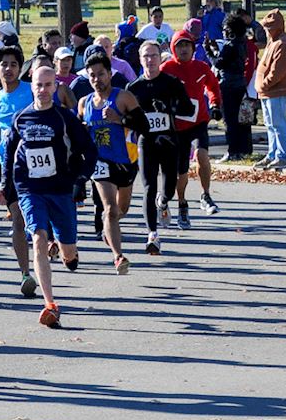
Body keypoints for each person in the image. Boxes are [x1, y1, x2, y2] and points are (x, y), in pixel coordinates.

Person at [6, 66, 98, 328]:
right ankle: (50, 303)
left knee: (68, 247)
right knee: (38, 237)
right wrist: (6, 186)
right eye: (39, 85)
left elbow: (89, 151)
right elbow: (9, 153)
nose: (43, 90)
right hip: (30, 189)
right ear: (31, 86)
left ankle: (68, 252)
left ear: (56, 87)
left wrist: (81, 180)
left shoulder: (64, 118)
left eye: (48, 85)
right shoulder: (21, 118)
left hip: (61, 189)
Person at [79, 54, 147, 274]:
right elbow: (79, 134)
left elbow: (144, 126)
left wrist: (120, 120)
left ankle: (111, 229)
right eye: (92, 76)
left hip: (126, 161)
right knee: (109, 208)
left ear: (110, 74)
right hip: (100, 163)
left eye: (101, 74)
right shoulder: (85, 103)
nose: (97, 79)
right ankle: (118, 257)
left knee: (120, 209)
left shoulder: (123, 97)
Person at [126, 41, 192, 254]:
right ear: (140, 58)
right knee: (148, 186)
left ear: (160, 58)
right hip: (147, 142)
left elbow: (188, 108)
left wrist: (168, 107)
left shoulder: (171, 83)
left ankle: (163, 202)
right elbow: (128, 119)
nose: (150, 60)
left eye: (154, 56)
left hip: (170, 141)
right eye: (146, 56)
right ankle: (152, 234)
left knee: (169, 188)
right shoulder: (134, 88)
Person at [0, 46, 41, 297]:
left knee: (38, 219)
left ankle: (48, 247)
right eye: (3, 65)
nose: (8, 69)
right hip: (9, 167)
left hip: (35, 163)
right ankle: (25, 274)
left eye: (13, 64)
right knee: (18, 219)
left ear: (21, 68)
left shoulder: (30, 91)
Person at [162, 31, 223, 226]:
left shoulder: (201, 67)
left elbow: (213, 86)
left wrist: (214, 104)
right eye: (180, 46)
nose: (184, 49)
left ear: (193, 48)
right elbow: (156, 88)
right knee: (182, 171)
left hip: (198, 123)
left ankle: (205, 195)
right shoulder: (167, 69)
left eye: (187, 45)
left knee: (202, 156)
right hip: (177, 127)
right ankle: (182, 204)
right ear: (173, 49)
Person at [255, 9, 286, 170]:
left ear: (276, 27)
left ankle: (282, 156)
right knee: (270, 124)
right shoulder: (274, 41)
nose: (266, 30)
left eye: (268, 27)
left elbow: (277, 72)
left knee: (278, 124)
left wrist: (263, 85)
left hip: (276, 91)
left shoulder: (282, 44)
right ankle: (272, 153)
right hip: (268, 92)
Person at [214, 15, 254, 161]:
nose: (223, 33)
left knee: (230, 120)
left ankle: (232, 151)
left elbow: (219, 63)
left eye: (225, 30)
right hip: (240, 84)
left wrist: (211, 53)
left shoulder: (229, 45)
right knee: (242, 119)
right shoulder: (243, 43)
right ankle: (244, 149)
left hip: (228, 85)